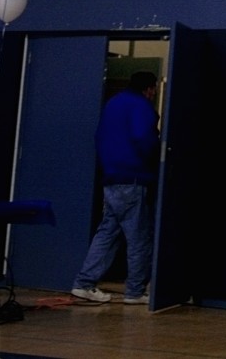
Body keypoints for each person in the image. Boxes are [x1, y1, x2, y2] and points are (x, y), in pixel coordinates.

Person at [70, 70, 160, 306]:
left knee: (107, 232)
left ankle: (84, 283)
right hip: (133, 178)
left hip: (111, 178)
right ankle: (135, 291)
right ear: (150, 89)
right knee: (139, 238)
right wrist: (155, 158)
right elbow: (144, 138)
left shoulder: (114, 103)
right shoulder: (141, 106)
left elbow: (100, 136)